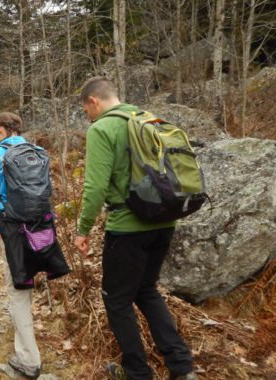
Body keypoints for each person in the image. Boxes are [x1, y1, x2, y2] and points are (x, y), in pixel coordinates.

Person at [74, 77, 198, 380]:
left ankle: (137, 373)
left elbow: (94, 187)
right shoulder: (149, 119)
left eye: (86, 110)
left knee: (116, 300)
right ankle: (182, 368)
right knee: (146, 290)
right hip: (165, 220)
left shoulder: (102, 128)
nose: (88, 117)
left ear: (94, 101)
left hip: (128, 227)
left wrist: (83, 229)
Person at [0, 112, 70, 379]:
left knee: (18, 292)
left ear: (1, 128)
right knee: (31, 283)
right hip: (43, 228)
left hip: (13, 232)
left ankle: (29, 360)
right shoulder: (38, 151)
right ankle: (28, 342)